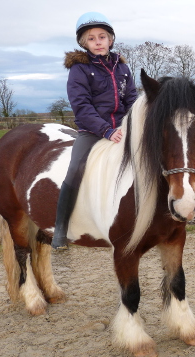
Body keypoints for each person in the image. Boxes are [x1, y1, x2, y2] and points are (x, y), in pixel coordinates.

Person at [52, 12, 138, 250]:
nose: (98, 41)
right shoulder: (79, 70)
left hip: (123, 128)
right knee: (76, 168)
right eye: (92, 38)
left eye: (102, 36)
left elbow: (132, 99)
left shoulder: (123, 69)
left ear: (111, 40)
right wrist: (106, 131)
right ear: (84, 43)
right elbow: (81, 107)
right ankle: (60, 227)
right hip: (92, 130)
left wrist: (133, 124)